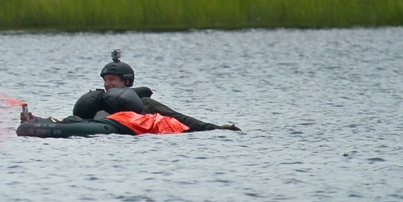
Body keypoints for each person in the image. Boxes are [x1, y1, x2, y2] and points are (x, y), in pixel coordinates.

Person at [22, 50, 241, 133]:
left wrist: (215, 129)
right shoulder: (99, 101)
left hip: (121, 129)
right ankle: (37, 121)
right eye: (106, 80)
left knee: (99, 117)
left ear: (126, 82)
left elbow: (179, 118)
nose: (108, 84)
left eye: (113, 80)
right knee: (83, 116)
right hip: (92, 128)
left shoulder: (143, 102)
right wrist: (39, 120)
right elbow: (78, 119)